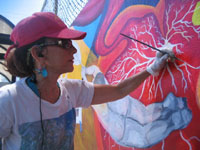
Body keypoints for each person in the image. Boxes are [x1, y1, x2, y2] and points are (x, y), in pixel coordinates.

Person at [0, 12, 171, 150]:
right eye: (65, 43)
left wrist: (151, 69)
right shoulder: (8, 101)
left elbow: (118, 91)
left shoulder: (72, 90)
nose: (74, 50)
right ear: (38, 54)